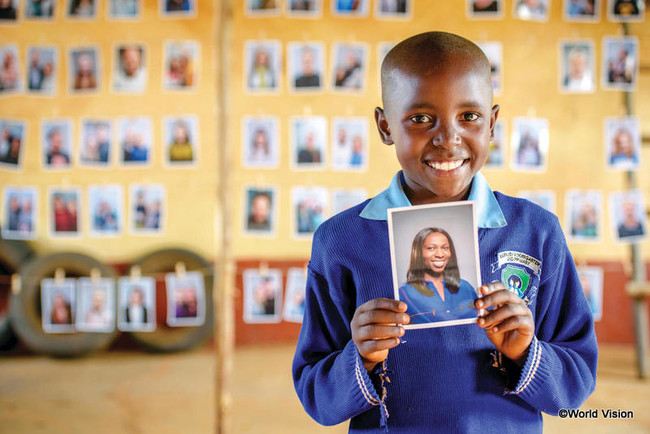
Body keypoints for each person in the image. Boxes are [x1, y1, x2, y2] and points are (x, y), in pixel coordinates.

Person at [292, 31, 597, 432]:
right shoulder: (341, 241)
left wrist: (526, 351)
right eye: (420, 119)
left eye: (469, 116)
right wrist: (360, 357)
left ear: (492, 124)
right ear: (385, 127)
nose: (448, 139)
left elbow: (575, 381)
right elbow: (317, 395)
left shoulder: (536, 232)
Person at [398, 228, 478, 323]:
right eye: (431, 248)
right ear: (418, 253)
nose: (440, 254)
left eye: (445, 248)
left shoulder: (466, 287)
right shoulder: (404, 293)